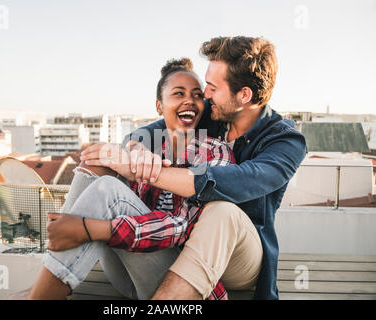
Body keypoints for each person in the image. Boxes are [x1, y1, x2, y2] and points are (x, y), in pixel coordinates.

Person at [81, 36, 307, 299]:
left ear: (244, 95)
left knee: (222, 211)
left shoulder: (286, 141)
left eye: (212, 87)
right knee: (98, 167)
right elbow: (153, 129)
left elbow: (234, 181)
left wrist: (149, 172)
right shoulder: (213, 111)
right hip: (181, 237)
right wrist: (136, 150)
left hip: (240, 257)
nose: (205, 94)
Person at [28, 58, 235, 300]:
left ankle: (40, 295)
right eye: (178, 93)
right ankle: (46, 283)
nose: (190, 100)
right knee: (96, 163)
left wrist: (91, 229)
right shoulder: (148, 149)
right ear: (159, 106)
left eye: (197, 95)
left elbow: (183, 229)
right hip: (129, 275)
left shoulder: (215, 151)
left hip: (176, 280)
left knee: (109, 190)